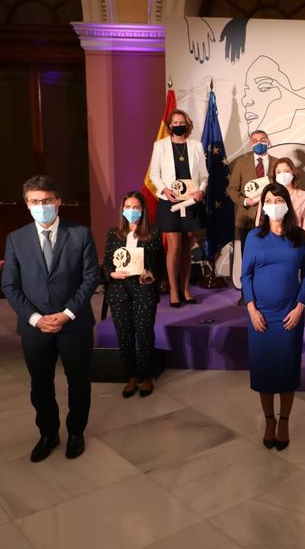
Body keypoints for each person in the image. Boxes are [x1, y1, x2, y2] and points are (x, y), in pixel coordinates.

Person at [1, 175, 101, 462]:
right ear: (26, 204)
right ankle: (48, 433)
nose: (41, 206)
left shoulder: (80, 234)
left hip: (74, 323)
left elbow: (91, 277)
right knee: (40, 384)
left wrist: (67, 313)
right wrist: (35, 318)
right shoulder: (16, 239)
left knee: (78, 381)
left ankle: (76, 432)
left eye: (46, 201)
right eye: (35, 202)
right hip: (35, 327)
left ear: (58, 202)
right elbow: (10, 285)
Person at [242, 182, 305, 450]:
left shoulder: (299, 237)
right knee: (264, 370)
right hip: (260, 314)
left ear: (287, 204)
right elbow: (245, 275)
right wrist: (251, 309)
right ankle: (269, 420)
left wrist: (300, 306)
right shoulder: (254, 237)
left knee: (286, 369)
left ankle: (284, 420)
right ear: (263, 206)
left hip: (289, 314)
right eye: (269, 201)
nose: (275, 205)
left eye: (279, 200)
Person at [102, 192, 163, 399]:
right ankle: (130, 376)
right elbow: (107, 264)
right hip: (119, 289)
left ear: (143, 210)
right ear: (122, 209)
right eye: (128, 207)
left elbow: (159, 264)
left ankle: (146, 377)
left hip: (143, 288)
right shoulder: (114, 233)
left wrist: (151, 275)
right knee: (124, 335)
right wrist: (112, 274)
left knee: (144, 333)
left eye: (136, 207)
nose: (132, 211)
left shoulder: (153, 233)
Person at [148, 109, 208, 308]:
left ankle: (185, 288)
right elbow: (154, 174)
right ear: (170, 125)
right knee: (174, 246)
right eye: (175, 122)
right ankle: (174, 290)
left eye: (182, 122)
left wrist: (201, 191)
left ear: (187, 125)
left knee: (187, 247)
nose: (178, 125)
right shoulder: (160, 146)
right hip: (169, 201)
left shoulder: (196, 146)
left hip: (191, 201)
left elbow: (204, 175)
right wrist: (164, 190)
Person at [227, 129, 277, 304]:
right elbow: (232, 189)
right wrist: (245, 201)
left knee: (270, 257)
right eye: (255, 140)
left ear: (268, 141)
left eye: (262, 139)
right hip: (246, 218)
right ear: (250, 144)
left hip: (272, 218)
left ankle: (268, 293)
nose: (259, 143)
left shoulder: (278, 163)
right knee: (248, 258)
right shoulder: (242, 163)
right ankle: (247, 295)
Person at [254, 157, 305, 243]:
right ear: (274, 175)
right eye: (278, 172)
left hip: (294, 241)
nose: (282, 175)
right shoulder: (267, 195)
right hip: (269, 241)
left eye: (286, 171)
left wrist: (304, 246)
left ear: (293, 173)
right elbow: (259, 222)